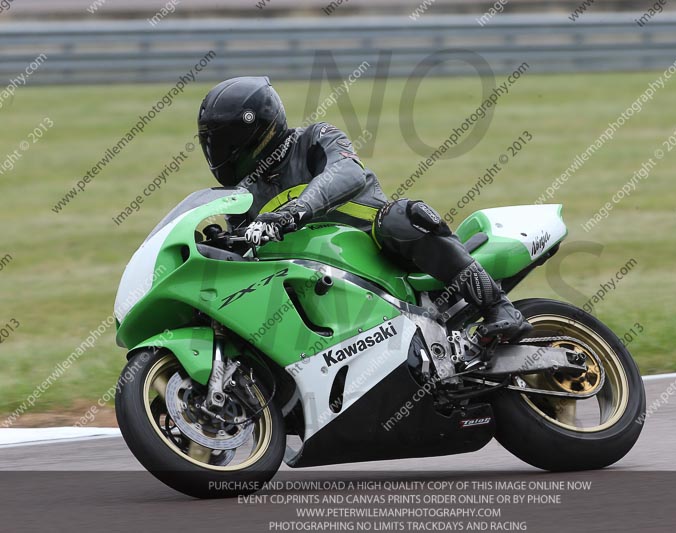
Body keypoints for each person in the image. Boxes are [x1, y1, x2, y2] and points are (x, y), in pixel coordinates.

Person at [197, 76, 531, 341]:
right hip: (314, 281)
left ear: (256, 131)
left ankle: (498, 306)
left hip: (377, 249)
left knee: (402, 217)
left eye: (223, 142)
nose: (218, 152)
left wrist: (294, 212)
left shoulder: (314, 138)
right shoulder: (242, 194)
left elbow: (348, 172)